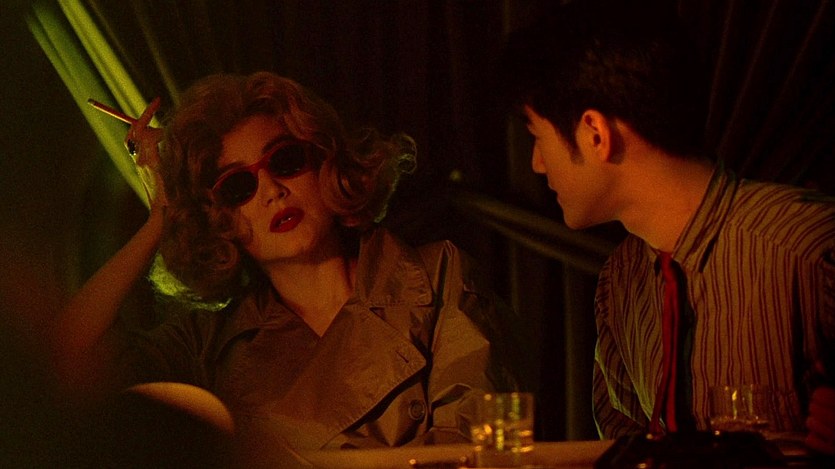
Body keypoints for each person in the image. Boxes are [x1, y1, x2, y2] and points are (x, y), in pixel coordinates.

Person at [53, 72, 523, 462]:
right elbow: (66, 359)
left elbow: (478, 451)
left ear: (326, 161)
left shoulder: (435, 275)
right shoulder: (211, 343)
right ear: (217, 219)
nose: (272, 190)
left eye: (285, 160)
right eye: (238, 186)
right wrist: (162, 215)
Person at [501, 0, 835, 456]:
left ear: (596, 134)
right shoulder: (621, 282)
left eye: (537, 138)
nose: (537, 164)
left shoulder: (810, 250)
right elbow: (624, 445)